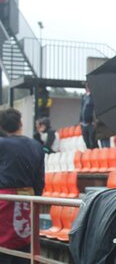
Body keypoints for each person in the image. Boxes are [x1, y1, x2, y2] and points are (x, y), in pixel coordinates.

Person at [0, 108, 45, 264]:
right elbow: (39, 181)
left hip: (4, 202)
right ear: (20, 123)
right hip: (27, 202)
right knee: (25, 252)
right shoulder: (36, 145)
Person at [79, 82, 98, 149]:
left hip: (91, 123)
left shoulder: (93, 97)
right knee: (86, 141)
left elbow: (95, 110)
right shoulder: (84, 97)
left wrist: (94, 121)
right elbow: (81, 109)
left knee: (92, 141)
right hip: (84, 123)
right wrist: (80, 120)